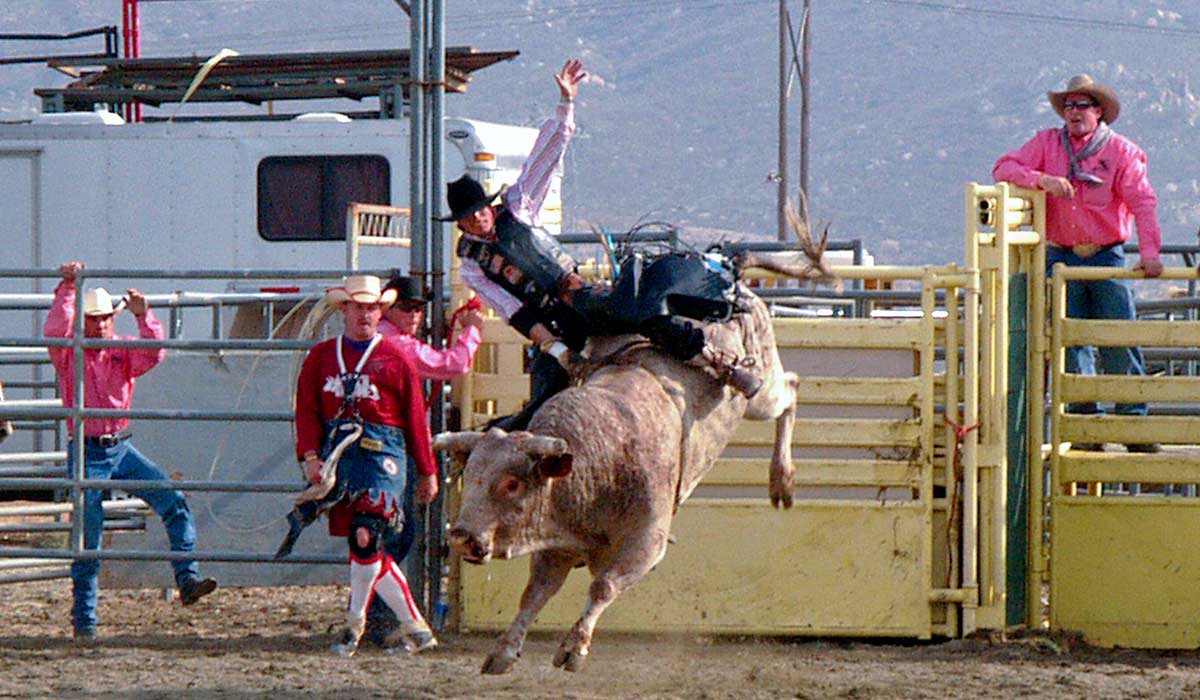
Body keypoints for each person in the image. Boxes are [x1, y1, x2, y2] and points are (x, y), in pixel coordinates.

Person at [444, 57, 760, 431]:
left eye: (480, 210)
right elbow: (513, 309)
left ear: (488, 206)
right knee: (545, 396)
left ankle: (718, 361)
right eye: (470, 216)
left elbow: (546, 155)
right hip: (551, 324)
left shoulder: (519, 204)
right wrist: (553, 346)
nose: (478, 218)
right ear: (461, 224)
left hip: (579, 297)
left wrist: (566, 106)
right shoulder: (472, 265)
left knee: (646, 315)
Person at [45, 261, 217, 641]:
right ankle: (85, 622)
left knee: (171, 500)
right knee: (88, 539)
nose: (101, 325)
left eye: (105, 318)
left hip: (118, 447)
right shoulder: (69, 353)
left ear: (112, 319)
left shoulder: (120, 351)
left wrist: (145, 317)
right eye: (93, 319)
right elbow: (56, 328)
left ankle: (187, 578)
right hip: (92, 451)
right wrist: (69, 287)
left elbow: (154, 352)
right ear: (84, 322)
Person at [993, 73, 1163, 454]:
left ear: (1099, 112)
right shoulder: (1046, 144)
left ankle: (1133, 423)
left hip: (1106, 257)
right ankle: (1085, 426)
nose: (1074, 112)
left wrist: (1150, 253)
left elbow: (1143, 203)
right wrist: (1042, 180)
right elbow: (1003, 168)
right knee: (1071, 344)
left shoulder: (1121, 152)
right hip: (1061, 256)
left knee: (1119, 339)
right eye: (1068, 105)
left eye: (1082, 105)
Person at [289, 274, 439, 657]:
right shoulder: (321, 357)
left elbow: (415, 417)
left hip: (384, 453)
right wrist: (310, 455)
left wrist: (427, 469)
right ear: (344, 310)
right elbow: (306, 411)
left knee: (367, 533)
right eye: (359, 307)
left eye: (373, 308)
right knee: (364, 544)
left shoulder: (396, 357)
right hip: (341, 452)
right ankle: (416, 629)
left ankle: (353, 627)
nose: (366, 315)